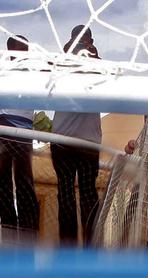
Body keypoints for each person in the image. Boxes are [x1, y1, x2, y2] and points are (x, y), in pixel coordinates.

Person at [50, 26, 104, 245]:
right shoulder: (62, 64)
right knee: (69, 194)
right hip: (73, 141)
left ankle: (82, 247)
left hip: (75, 140)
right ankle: (73, 247)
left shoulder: (97, 65)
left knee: (83, 195)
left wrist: (91, 56)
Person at [0, 35, 40, 232]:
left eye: (26, 48)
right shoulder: (0, 72)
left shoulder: (33, 73)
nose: (24, 52)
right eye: (21, 48)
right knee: (3, 179)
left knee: (24, 178)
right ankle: (8, 226)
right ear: (10, 49)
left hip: (24, 130)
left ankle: (28, 228)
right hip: (2, 127)